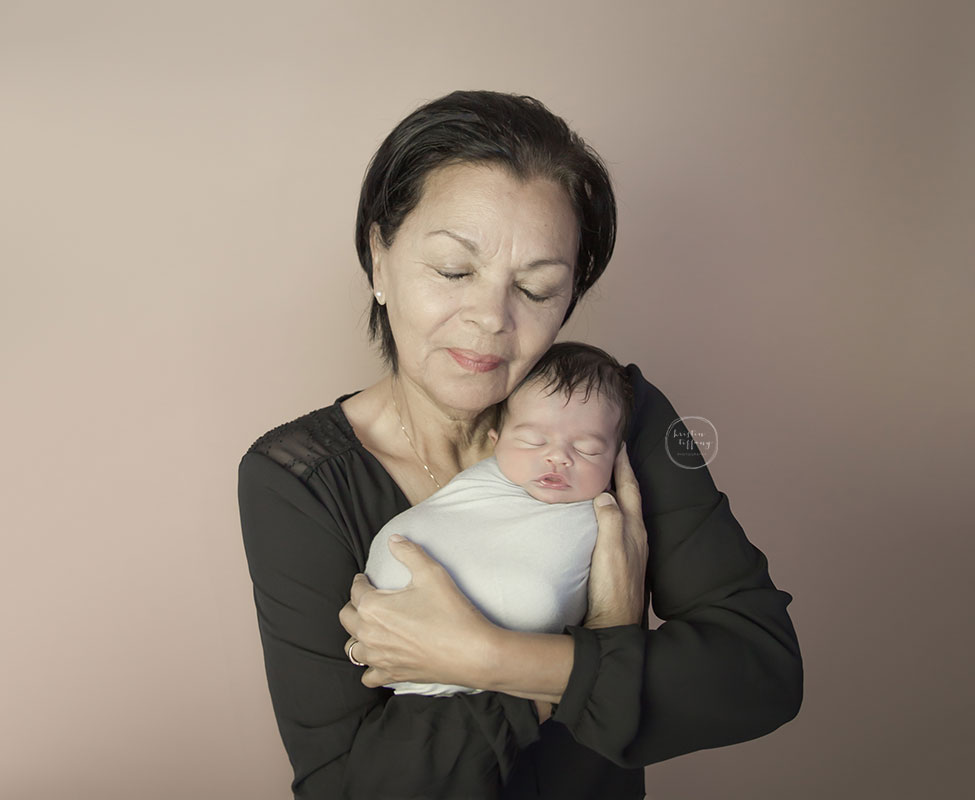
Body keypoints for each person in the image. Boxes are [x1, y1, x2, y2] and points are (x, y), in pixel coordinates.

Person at [237, 90, 803, 799]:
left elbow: (761, 673)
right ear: (379, 259)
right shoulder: (298, 480)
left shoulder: (617, 418)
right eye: (453, 271)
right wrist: (604, 635)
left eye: (536, 289)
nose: (490, 319)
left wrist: (489, 657)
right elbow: (352, 787)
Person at [365, 341, 633, 699]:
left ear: (616, 458)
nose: (558, 457)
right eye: (533, 440)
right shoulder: (484, 482)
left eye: (587, 449)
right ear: (496, 441)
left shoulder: (603, 516)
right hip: (393, 632)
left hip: (521, 676)